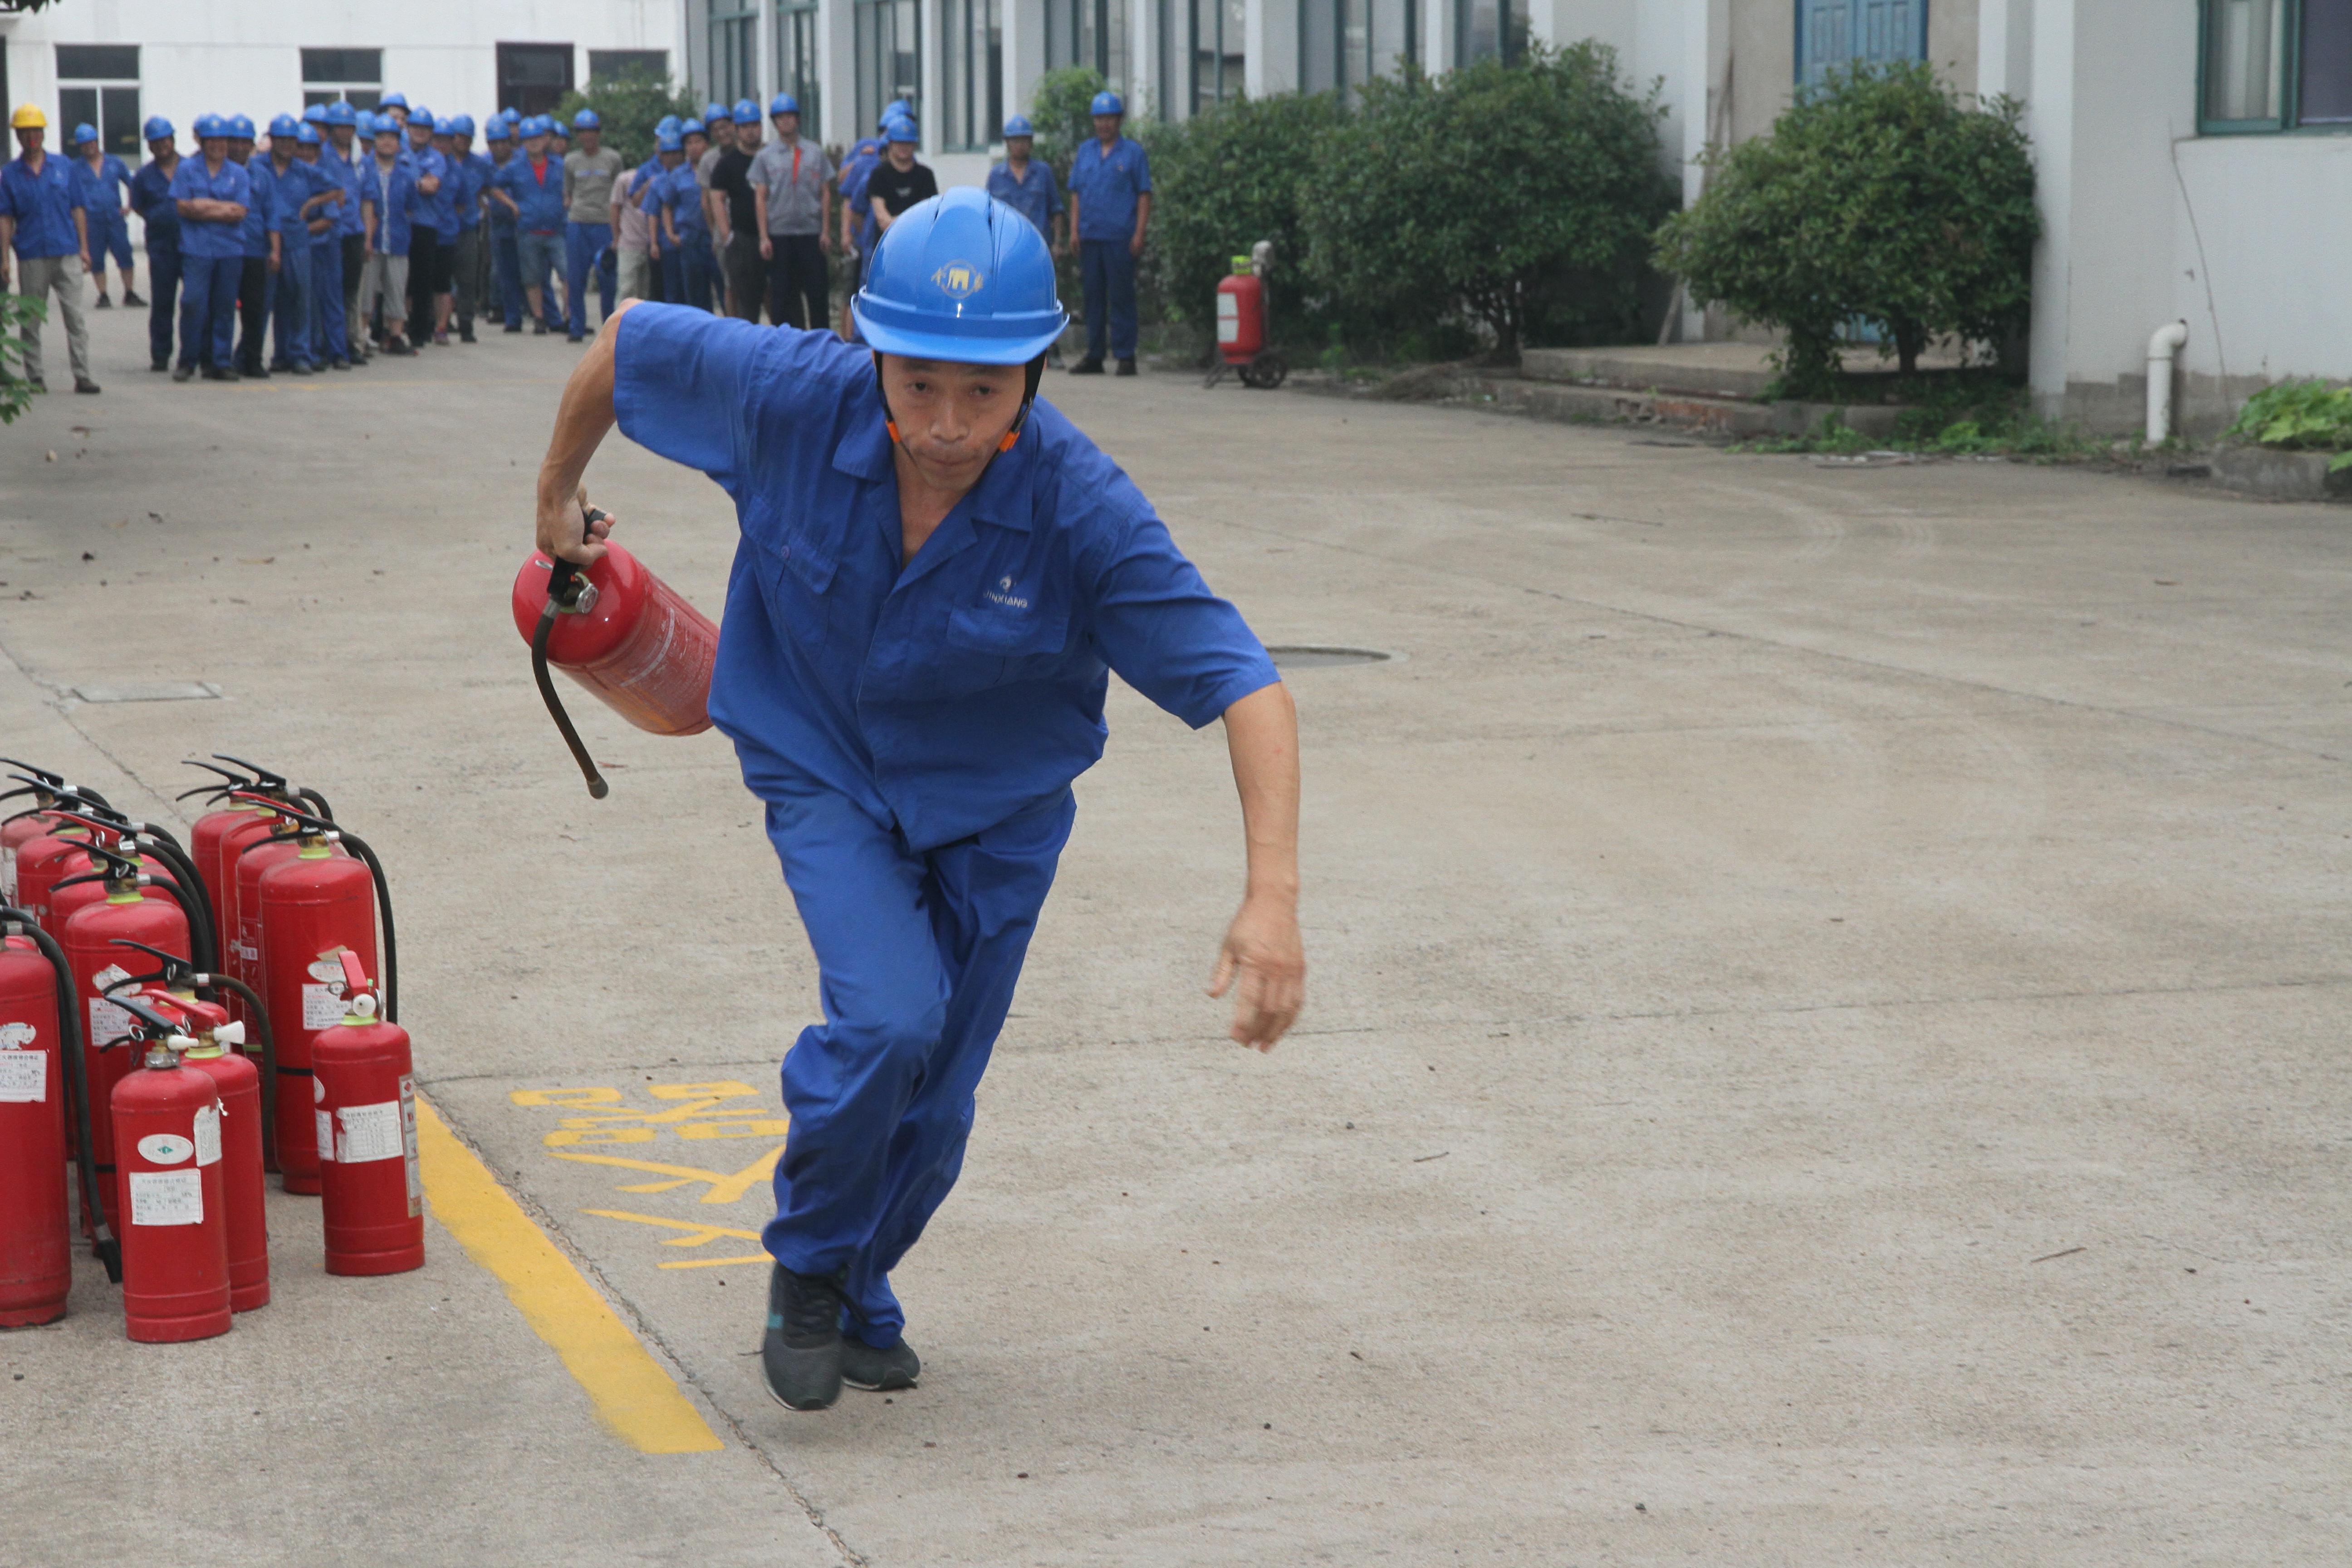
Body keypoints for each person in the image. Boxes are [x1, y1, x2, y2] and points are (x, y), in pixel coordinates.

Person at [527, 186, 1304, 1411]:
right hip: (822, 759)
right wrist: (555, 493)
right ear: (872, 350)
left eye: (983, 393)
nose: (946, 424)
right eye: (919, 385)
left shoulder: (1081, 507)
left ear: (1033, 375)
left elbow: (1245, 686)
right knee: (890, 1020)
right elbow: (628, 345)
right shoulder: (791, 395)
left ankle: (859, 1285)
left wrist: (1272, 899)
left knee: (937, 1100)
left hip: (997, 810)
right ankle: (807, 1267)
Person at [0, 104, 97, 395]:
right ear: (17, 136)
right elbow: (5, 217)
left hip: (66, 251)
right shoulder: (10, 174)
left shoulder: (64, 166)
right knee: (30, 320)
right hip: (31, 255)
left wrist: (85, 248)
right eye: (25, 132)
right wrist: (4, 258)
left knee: (75, 318)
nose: (31, 137)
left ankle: (83, 376)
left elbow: (78, 208)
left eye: (36, 131)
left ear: (43, 134)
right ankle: (35, 377)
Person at [1064, 90, 1151, 377]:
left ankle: (1126, 356)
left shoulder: (1133, 153)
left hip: (1120, 237)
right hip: (1090, 237)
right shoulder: (1085, 152)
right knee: (1093, 298)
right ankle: (1095, 355)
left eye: (1110, 118)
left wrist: (1139, 233)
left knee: (1122, 297)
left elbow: (1144, 195)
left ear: (1119, 120)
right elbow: (1076, 194)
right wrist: (1074, 231)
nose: (1104, 124)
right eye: (1099, 119)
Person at [167, 113, 250, 382]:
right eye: (211, 140)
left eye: (222, 140)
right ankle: (188, 360)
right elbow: (183, 207)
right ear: (200, 141)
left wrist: (202, 205)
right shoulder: (187, 169)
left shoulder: (238, 173)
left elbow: (239, 212)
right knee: (193, 303)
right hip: (196, 249)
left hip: (230, 250)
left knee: (225, 306)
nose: (217, 145)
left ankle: (220, 362)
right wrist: (222, 208)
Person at [985, 115, 1064, 367]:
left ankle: (1051, 350)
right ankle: (1008, 350)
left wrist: (1058, 243)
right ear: (1007, 143)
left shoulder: (1043, 173)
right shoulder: (997, 176)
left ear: (1031, 143)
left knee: (1043, 301)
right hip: (1006, 251)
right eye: (1015, 140)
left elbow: (1056, 209)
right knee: (1006, 299)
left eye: (1024, 140)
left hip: (1038, 249)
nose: (1020, 145)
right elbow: (988, 215)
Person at [750, 93, 831, 332]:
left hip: (811, 233)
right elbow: (761, 197)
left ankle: (822, 343)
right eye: (780, 118)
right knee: (782, 297)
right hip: (780, 235)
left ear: (798, 119)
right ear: (775, 123)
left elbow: (825, 193)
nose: (786, 122)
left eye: (790, 116)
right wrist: (764, 237)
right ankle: (783, 344)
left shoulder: (815, 152)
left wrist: (826, 231)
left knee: (817, 295)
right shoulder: (765, 156)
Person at [493, 115, 566, 334]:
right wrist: (511, 205)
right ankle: (539, 319)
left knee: (567, 274)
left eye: (537, 138)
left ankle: (569, 316)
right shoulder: (515, 167)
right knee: (532, 278)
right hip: (528, 229)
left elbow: (572, 184)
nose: (534, 143)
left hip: (556, 229)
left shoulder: (559, 164)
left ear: (545, 140)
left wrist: (568, 200)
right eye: (529, 139)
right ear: (523, 143)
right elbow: (494, 186)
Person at [292, 122, 352, 370]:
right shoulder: (291, 175)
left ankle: (338, 352)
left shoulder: (323, 175)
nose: (306, 153)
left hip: (325, 247)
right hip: (300, 248)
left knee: (332, 300)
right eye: (301, 147)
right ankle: (313, 351)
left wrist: (297, 230)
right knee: (307, 303)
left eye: (311, 148)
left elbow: (330, 217)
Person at [356, 114, 417, 354]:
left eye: (392, 137)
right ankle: (360, 337)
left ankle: (395, 336)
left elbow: (411, 207)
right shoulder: (364, 168)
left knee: (397, 289)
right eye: (381, 137)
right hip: (371, 241)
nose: (387, 142)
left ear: (399, 142)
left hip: (398, 240)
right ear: (374, 141)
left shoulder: (406, 174)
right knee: (366, 292)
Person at [832, 107, 895, 337]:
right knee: (855, 291)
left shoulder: (911, 166)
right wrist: (851, 235)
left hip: (887, 244)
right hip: (865, 242)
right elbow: (850, 199)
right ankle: (851, 342)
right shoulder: (867, 158)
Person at [560, 108, 621, 341]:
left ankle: (609, 329)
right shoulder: (571, 161)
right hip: (578, 224)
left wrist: (618, 231)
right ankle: (577, 327)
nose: (587, 136)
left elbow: (618, 194)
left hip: (604, 225)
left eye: (591, 131)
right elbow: (568, 192)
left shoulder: (613, 159)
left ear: (598, 133)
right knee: (576, 278)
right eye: (582, 132)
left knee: (608, 279)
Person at [258, 114, 312, 375]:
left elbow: (337, 190)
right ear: (272, 140)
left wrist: (313, 205)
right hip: (265, 244)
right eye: (281, 139)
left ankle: (299, 354)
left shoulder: (305, 171)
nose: (286, 145)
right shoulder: (258, 167)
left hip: (298, 243)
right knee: (265, 302)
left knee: (300, 301)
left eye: (291, 140)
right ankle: (268, 355)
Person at [129, 116, 182, 371]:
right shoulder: (143, 176)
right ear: (149, 146)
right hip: (161, 246)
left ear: (173, 140)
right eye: (155, 142)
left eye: (165, 140)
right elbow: (138, 206)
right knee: (163, 302)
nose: (161, 146)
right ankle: (161, 355)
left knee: (196, 302)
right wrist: (159, 218)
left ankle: (196, 353)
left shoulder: (191, 168)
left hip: (193, 243)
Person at [319, 102, 369, 366]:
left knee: (351, 292)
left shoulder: (361, 159)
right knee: (330, 291)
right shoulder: (322, 156)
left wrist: (368, 237)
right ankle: (329, 345)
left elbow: (368, 200)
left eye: (350, 127)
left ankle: (351, 344)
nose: (345, 132)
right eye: (340, 127)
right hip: (330, 232)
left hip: (355, 232)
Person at [69, 123, 137, 309]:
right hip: (92, 221)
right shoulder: (75, 168)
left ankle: (130, 293)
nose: (89, 147)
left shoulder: (115, 162)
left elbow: (132, 184)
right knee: (97, 259)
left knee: (125, 255)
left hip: (115, 218)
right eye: (84, 144)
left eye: (91, 142)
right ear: (80, 146)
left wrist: (130, 206)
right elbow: (70, 194)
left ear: (97, 141)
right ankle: (103, 295)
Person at [707, 98, 763, 321]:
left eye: (755, 125)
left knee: (775, 292)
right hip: (742, 238)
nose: (751, 131)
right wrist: (727, 235)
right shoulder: (727, 164)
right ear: (737, 130)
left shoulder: (770, 158)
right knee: (744, 296)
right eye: (745, 126)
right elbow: (716, 199)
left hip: (773, 236)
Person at [645, 123, 710, 311]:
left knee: (723, 290)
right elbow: (666, 207)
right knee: (693, 296)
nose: (694, 147)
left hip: (712, 237)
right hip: (689, 239)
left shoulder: (716, 167)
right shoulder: (678, 176)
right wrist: (670, 234)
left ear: (707, 144)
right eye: (689, 143)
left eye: (698, 142)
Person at [231, 115, 278, 377]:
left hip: (255, 250)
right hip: (225, 250)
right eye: (235, 142)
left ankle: (252, 360)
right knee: (221, 309)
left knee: (255, 310)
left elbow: (272, 215)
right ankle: (217, 359)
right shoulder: (218, 172)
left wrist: (275, 250)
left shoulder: (262, 175)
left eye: (245, 143)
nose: (240, 148)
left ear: (252, 145)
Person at [403, 109, 454, 344]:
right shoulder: (399, 151)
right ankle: (396, 328)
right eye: (416, 127)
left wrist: (407, 183)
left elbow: (432, 186)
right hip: (401, 224)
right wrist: (418, 183)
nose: (420, 132)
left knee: (423, 281)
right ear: (408, 129)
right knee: (400, 281)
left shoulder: (437, 158)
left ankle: (419, 332)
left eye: (425, 129)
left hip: (425, 225)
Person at [443, 115, 490, 342]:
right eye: (459, 136)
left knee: (468, 279)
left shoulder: (479, 165)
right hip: (444, 229)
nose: (463, 141)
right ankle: (441, 323)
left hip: (469, 229)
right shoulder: (441, 161)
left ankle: (466, 324)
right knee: (443, 279)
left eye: (468, 138)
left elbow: (488, 189)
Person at [485, 114, 524, 332]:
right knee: (502, 271)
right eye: (494, 143)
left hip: (522, 222)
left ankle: (537, 312)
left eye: (503, 142)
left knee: (529, 269)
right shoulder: (485, 164)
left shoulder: (521, 161)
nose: (499, 147)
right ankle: (509, 314)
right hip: (498, 223)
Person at [610, 139, 658, 304]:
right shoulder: (625, 179)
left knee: (645, 293)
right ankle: (620, 320)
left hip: (651, 244)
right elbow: (615, 207)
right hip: (629, 243)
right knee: (626, 290)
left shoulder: (661, 178)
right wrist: (616, 238)